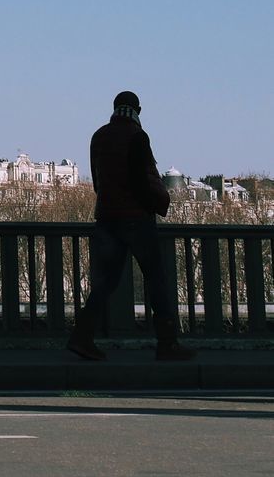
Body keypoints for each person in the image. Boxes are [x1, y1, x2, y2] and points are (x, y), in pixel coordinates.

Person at [67, 90, 194, 362]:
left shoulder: (98, 136)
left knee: (105, 281)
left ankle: (82, 336)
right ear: (138, 109)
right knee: (156, 279)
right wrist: (154, 204)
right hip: (135, 217)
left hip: (106, 216)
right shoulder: (137, 136)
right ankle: (167, 342)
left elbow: (98, 181)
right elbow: (141, 177)